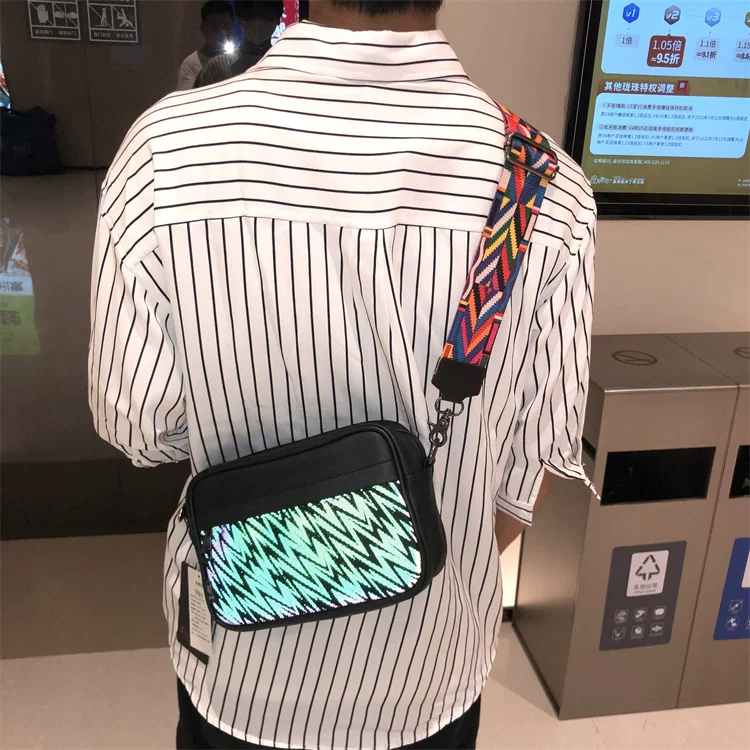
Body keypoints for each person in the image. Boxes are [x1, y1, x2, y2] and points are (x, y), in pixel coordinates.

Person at [89, 1, 597, 748]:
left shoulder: (166, 150)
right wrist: (397, 544)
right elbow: (533, 465)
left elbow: (140, 427)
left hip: (239, 667)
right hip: (432, 675)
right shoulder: (545, 189)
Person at [194, 0, 283, 87]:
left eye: (265, 14)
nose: (257, 21)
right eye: (250, 14)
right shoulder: (216, 68)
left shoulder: (285, 66)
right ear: (240, 18)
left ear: (278, 19)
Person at [175, 0, 233, 91]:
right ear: (203, 28)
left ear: (233, 26)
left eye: (225, 25)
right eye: (213, 25)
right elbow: (185, 97)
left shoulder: (238, 59)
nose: (220, 31)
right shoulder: (191, 64)